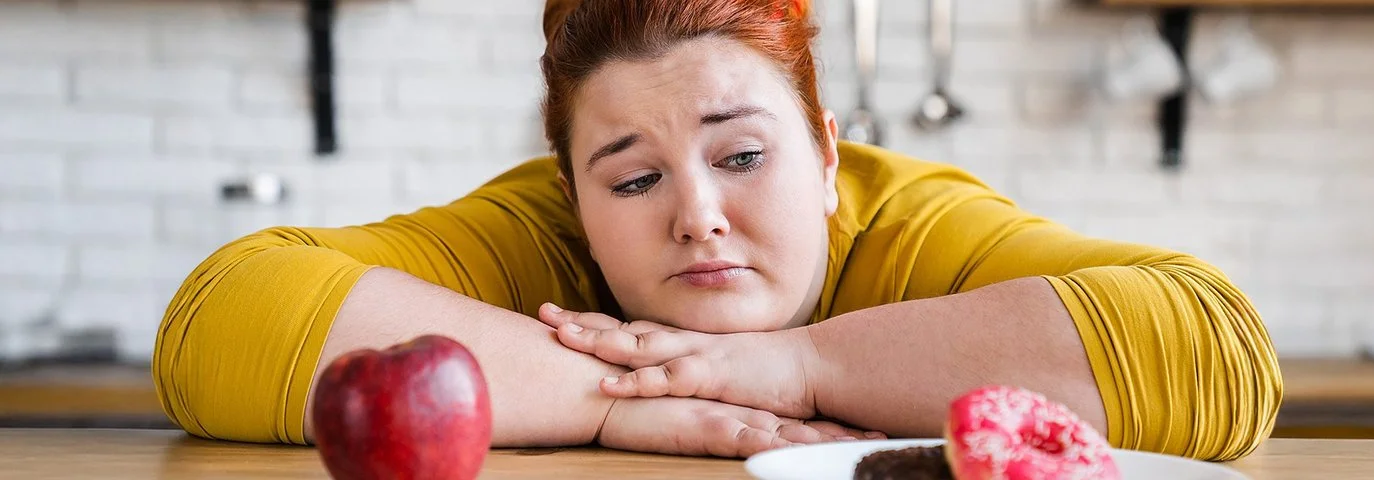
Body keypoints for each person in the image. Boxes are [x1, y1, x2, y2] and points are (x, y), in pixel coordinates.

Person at [152, 0, 1283, 461]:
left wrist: (795, 364)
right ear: (574, 191)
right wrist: (611, 401)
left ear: (829, 154)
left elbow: (1212, 349)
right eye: (632, 179)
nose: (697, 215)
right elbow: (223, 319)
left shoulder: (911, 223)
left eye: (743, 157)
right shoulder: (541, 232)